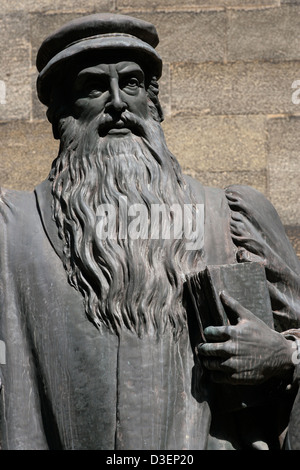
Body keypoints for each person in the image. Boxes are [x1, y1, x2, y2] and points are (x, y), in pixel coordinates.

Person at [0, 12, 300, 450]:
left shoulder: (233, 219)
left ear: (153, 104)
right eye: (94, 86)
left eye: (133, 83)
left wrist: (286, 356)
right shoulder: (12, 228)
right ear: (63, 113)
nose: (118, 103)